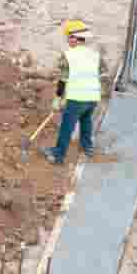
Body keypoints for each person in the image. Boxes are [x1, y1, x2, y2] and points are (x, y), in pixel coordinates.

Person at [49, 18, 105, 165]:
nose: (68, 40)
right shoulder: (94, 55)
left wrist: (58, 99)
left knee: (67, 125)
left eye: (69, 37)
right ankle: (87, 147)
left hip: (77, 97)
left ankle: (58, 154)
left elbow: (63, 79)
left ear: (74, 38)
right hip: (93, 97)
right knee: (86, 120)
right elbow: (100, 73)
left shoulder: (69, 55)